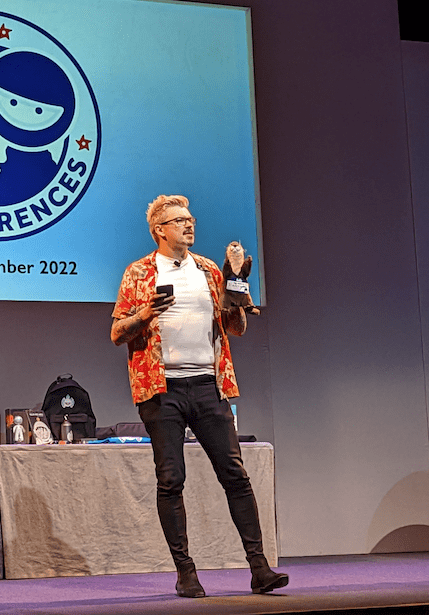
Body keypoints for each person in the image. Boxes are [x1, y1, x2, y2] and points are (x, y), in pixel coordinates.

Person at [111, 195, 288, 598]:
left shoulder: (208, 269)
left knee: (235, 475)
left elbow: (236, 328)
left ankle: (259, 569)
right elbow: (117, 332)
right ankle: (186, 572)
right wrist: (146, 313)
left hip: (209, 385)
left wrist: (237, 295)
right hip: (162, 390)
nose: (189, 225)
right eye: (180, 221)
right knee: (171, 479)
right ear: (160, 230)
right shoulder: (139, 272)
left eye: (190, 219)